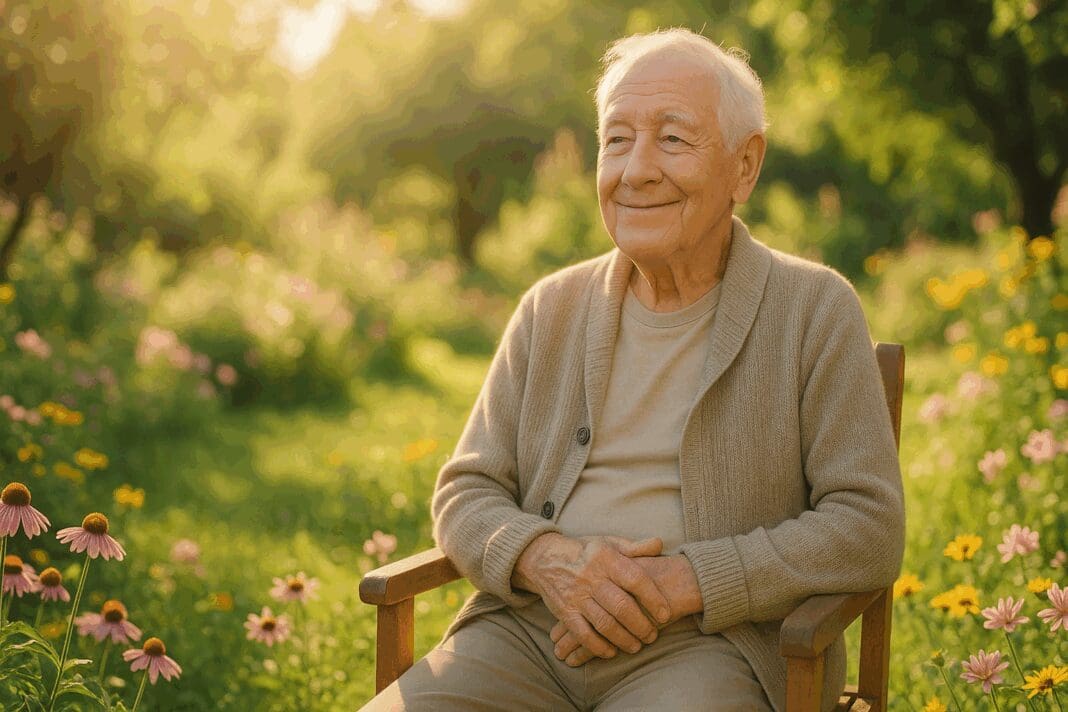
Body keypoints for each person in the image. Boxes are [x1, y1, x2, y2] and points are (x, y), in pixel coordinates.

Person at [364, 26, 905, 712]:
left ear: (744, 166)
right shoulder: (549, 308)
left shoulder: (814, 309)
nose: (637, 169)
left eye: (673, 138)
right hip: (529, 636)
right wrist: (546, 561)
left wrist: (690, 580)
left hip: (713, 648)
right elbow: (467, 492)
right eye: (617, 139)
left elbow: (868, 526)